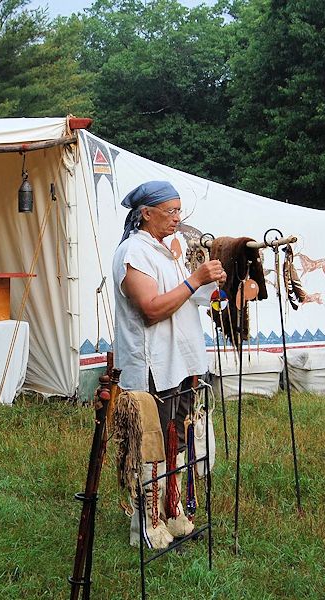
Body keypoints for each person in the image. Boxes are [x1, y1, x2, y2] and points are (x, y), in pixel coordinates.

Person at [112, 180, 226, 548]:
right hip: (152, 367)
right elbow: (151, 310)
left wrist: (218, 287)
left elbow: (186, 299)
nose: (178, 218)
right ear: (146, 214)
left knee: (178, 440)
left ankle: (173, 512)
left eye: (180, 211)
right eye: (170, 211)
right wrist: (195, 280)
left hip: (181, 364)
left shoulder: (167, 251)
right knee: (151, 447)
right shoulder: (133, 252)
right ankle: (147, 524)